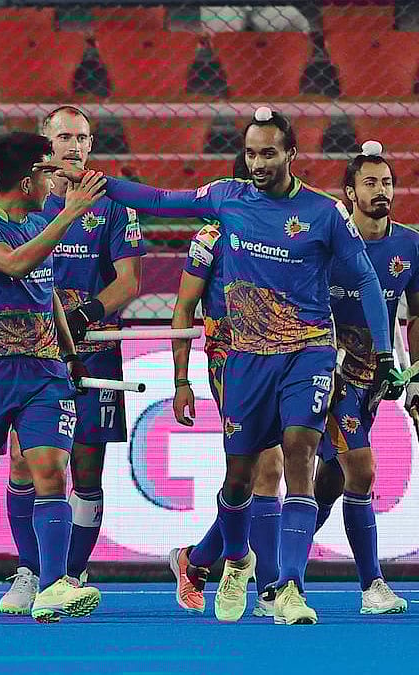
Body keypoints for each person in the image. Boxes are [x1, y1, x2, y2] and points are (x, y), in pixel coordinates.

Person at [50, 107, 403, 625]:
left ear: (291, 155)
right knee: (240, 478)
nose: (258, 162)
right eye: (252, 153)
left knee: (299, 456)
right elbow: (157, 200)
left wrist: (387, 352)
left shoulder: (326, 212)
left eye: (269, 152)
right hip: (243, 360)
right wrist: (91, 181)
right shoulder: (225, 198)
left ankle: (288, 589)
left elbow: (369, 281)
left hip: (309, 351)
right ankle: (230, 561)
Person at [0, 132, 107, 623]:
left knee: (52, 473)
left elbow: (46, 289)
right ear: (27, 178)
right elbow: (15, 265)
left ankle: (53, 585)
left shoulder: (38, 222)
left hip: (44, 372)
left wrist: (72, 353)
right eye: (48, 171)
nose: (55, 179)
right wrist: (69, 214)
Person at [0, 106, 146, 615]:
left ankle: (71, 572)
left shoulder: (112, 205)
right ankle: (28, 571)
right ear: (45, 142)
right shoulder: (26, 204)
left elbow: (129, 282)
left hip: (95, 353)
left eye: (83, 138)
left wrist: (88, 315)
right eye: (64, 137)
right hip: (32, 356)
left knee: (85, 469)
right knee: (25, 461)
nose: (75, 147)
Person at [312, 141, 419, 615]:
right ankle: (372, 587)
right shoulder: (327, 247)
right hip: (325, 375)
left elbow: (418, 313)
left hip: (373, 381)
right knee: (359, 469)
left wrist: (418, 374)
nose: (380, 191)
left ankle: (271, 574)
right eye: (370, 183)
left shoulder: (410, 245)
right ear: (349, 193)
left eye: (386, 183)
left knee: (325, 484)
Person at [168, 152, 284, 619]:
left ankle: (195, 560)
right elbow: (183, 310)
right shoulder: (211, 237)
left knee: (264, 470)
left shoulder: (289, 230)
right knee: (264, 466)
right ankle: (270, 585)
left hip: (284, 355)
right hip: (231, 358)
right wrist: (181, 380)